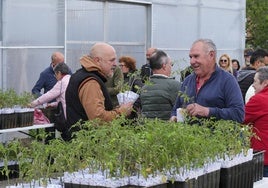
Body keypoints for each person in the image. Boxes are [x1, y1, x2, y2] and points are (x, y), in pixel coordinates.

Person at [64, 42, 133, 141]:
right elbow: (98, 119)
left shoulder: (82, 75)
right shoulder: (90, 82)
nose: (115, 64)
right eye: (112, 60)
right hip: (88, 144)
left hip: (80, 142)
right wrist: (121, 112)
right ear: (97, 60)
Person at [170, 39, 244, 123]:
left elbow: (238, 114)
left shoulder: (227, 80)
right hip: (189, 135)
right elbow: (175, 109)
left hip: (216, 135)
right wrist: (174, 117)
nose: (192, 61)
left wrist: (207, 111)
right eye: (190, 57)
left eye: (196, 56)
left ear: (211, 55)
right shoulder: (188, 81)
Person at [140, 50, 180, 120]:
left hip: (146, 129)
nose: (171, 68)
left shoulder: (144, 87)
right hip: (166, 128)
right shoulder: (174, 85)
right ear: (164, 66)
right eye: (171, 64)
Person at [244, 66, 268, 177]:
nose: (253, 85)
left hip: (263, 157)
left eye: (255, 81)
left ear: (265, 83)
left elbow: (240, 119)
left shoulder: (258, 99)